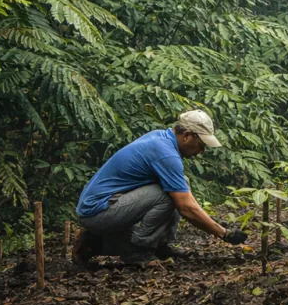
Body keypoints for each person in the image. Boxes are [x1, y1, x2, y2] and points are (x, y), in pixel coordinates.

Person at [72, 109, 246, 266]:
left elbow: (185, 197)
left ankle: (156, 246)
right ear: (187, 135)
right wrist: (223, 233)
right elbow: (185, 207)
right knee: (169, 195)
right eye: (200, 145)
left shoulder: (160, 137)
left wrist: (213, 224)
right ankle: (137, 251)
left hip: (106, 205)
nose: (200, 152)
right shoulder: (166, 154)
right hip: (96, 211)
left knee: (180, 183)